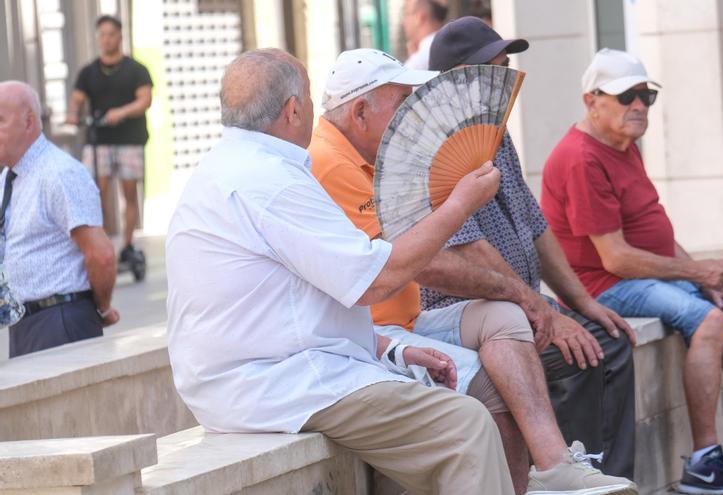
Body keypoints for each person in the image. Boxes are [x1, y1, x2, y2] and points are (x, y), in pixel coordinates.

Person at [165, 48, 516, 495]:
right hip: (275, 384)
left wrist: (386, 349)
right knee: (466, 425)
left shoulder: (224, 169)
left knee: (425, 434)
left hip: (254, 378)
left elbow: (283, 305)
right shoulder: (271, 181)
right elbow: (376, 280)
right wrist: (460, 204)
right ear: (294, 110)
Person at [311, 47, 637, 495]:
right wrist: (529, 297)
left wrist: (546, 303)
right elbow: (422, 265)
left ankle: (556, 466)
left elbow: (530, 224)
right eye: (402, 102)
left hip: (407, 322)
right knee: (503, 374)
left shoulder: (389, 151)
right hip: (370, 337)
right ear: (361, 111)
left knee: (517, 321)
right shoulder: (330, 163)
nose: (412, 114)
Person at [541, 48, 723, 494]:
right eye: (625, 96)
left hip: (640, 276)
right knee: (710, 320)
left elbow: (652, 227)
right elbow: (614, 257)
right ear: (591, 100)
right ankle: (705, 461)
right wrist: (694, 275)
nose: (638, 105)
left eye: (645, 96)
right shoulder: (580, 157)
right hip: (604, 286)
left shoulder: (622, 144)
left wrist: (698, 273)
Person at [424, 16, 637, 480]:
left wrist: (582, 303)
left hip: (523, 304)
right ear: (458, 78)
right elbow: (473, 251)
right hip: (471, 315)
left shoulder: (495, 132)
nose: (507, 79)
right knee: (586, 350)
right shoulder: (434, 147)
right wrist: (545, 311)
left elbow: (535, 226)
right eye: (495, 68)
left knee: (606, 335)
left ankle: (606, 479)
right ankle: (568, 475)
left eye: (505, 66)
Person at [0, 81, 118, 358]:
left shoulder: (59, 173)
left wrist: (101, 308)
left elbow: (101, 255)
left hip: (60, 321)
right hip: (25, 325)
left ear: (28, 122)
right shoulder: (8, 177)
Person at [66, 15, 153, 266]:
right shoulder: (88, 71)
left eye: (110, 34)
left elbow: (145, 100)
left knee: (129, 194)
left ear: (120, 37)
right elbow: (77, 99)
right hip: (98, 142)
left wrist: (122, 112)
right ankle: (101, 245)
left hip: (129, 139)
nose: (106, 39)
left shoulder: (136, 70)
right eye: (101, 35)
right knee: (95, 193)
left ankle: (126, 245)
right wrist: (73, 114)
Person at [402, 0, 447, 69]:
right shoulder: (449, 44)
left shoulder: (420, 60)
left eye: (407, 14)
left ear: (420, 17)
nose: (403, 22)